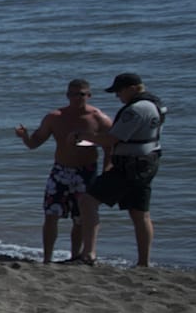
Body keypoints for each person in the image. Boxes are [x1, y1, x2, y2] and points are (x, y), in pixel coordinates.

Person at [14, 79, 111, 263]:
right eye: (73, 94)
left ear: (89, 95)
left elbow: (111, 147)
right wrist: (24, 137)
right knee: (51, 215)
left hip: (86, 172)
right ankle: (47, 258)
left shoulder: (99, 118)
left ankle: (75, 256)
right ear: (67, 96)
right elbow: (35, 143)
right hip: (60, 171)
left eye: (81, 94)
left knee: (80, 219)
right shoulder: (55, 117)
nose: (77, 98)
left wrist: (106, 173)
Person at [89, 72, 166, 268]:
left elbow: (112, 139)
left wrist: (84, 136)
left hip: (130, 165)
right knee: (140, 213)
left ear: (132, 88)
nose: (117, 96)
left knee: (87, 201)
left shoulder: (136, 109)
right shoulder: (156, 104)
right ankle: (143, 262)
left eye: (119, 92)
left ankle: (88, 253)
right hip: (148, 161)